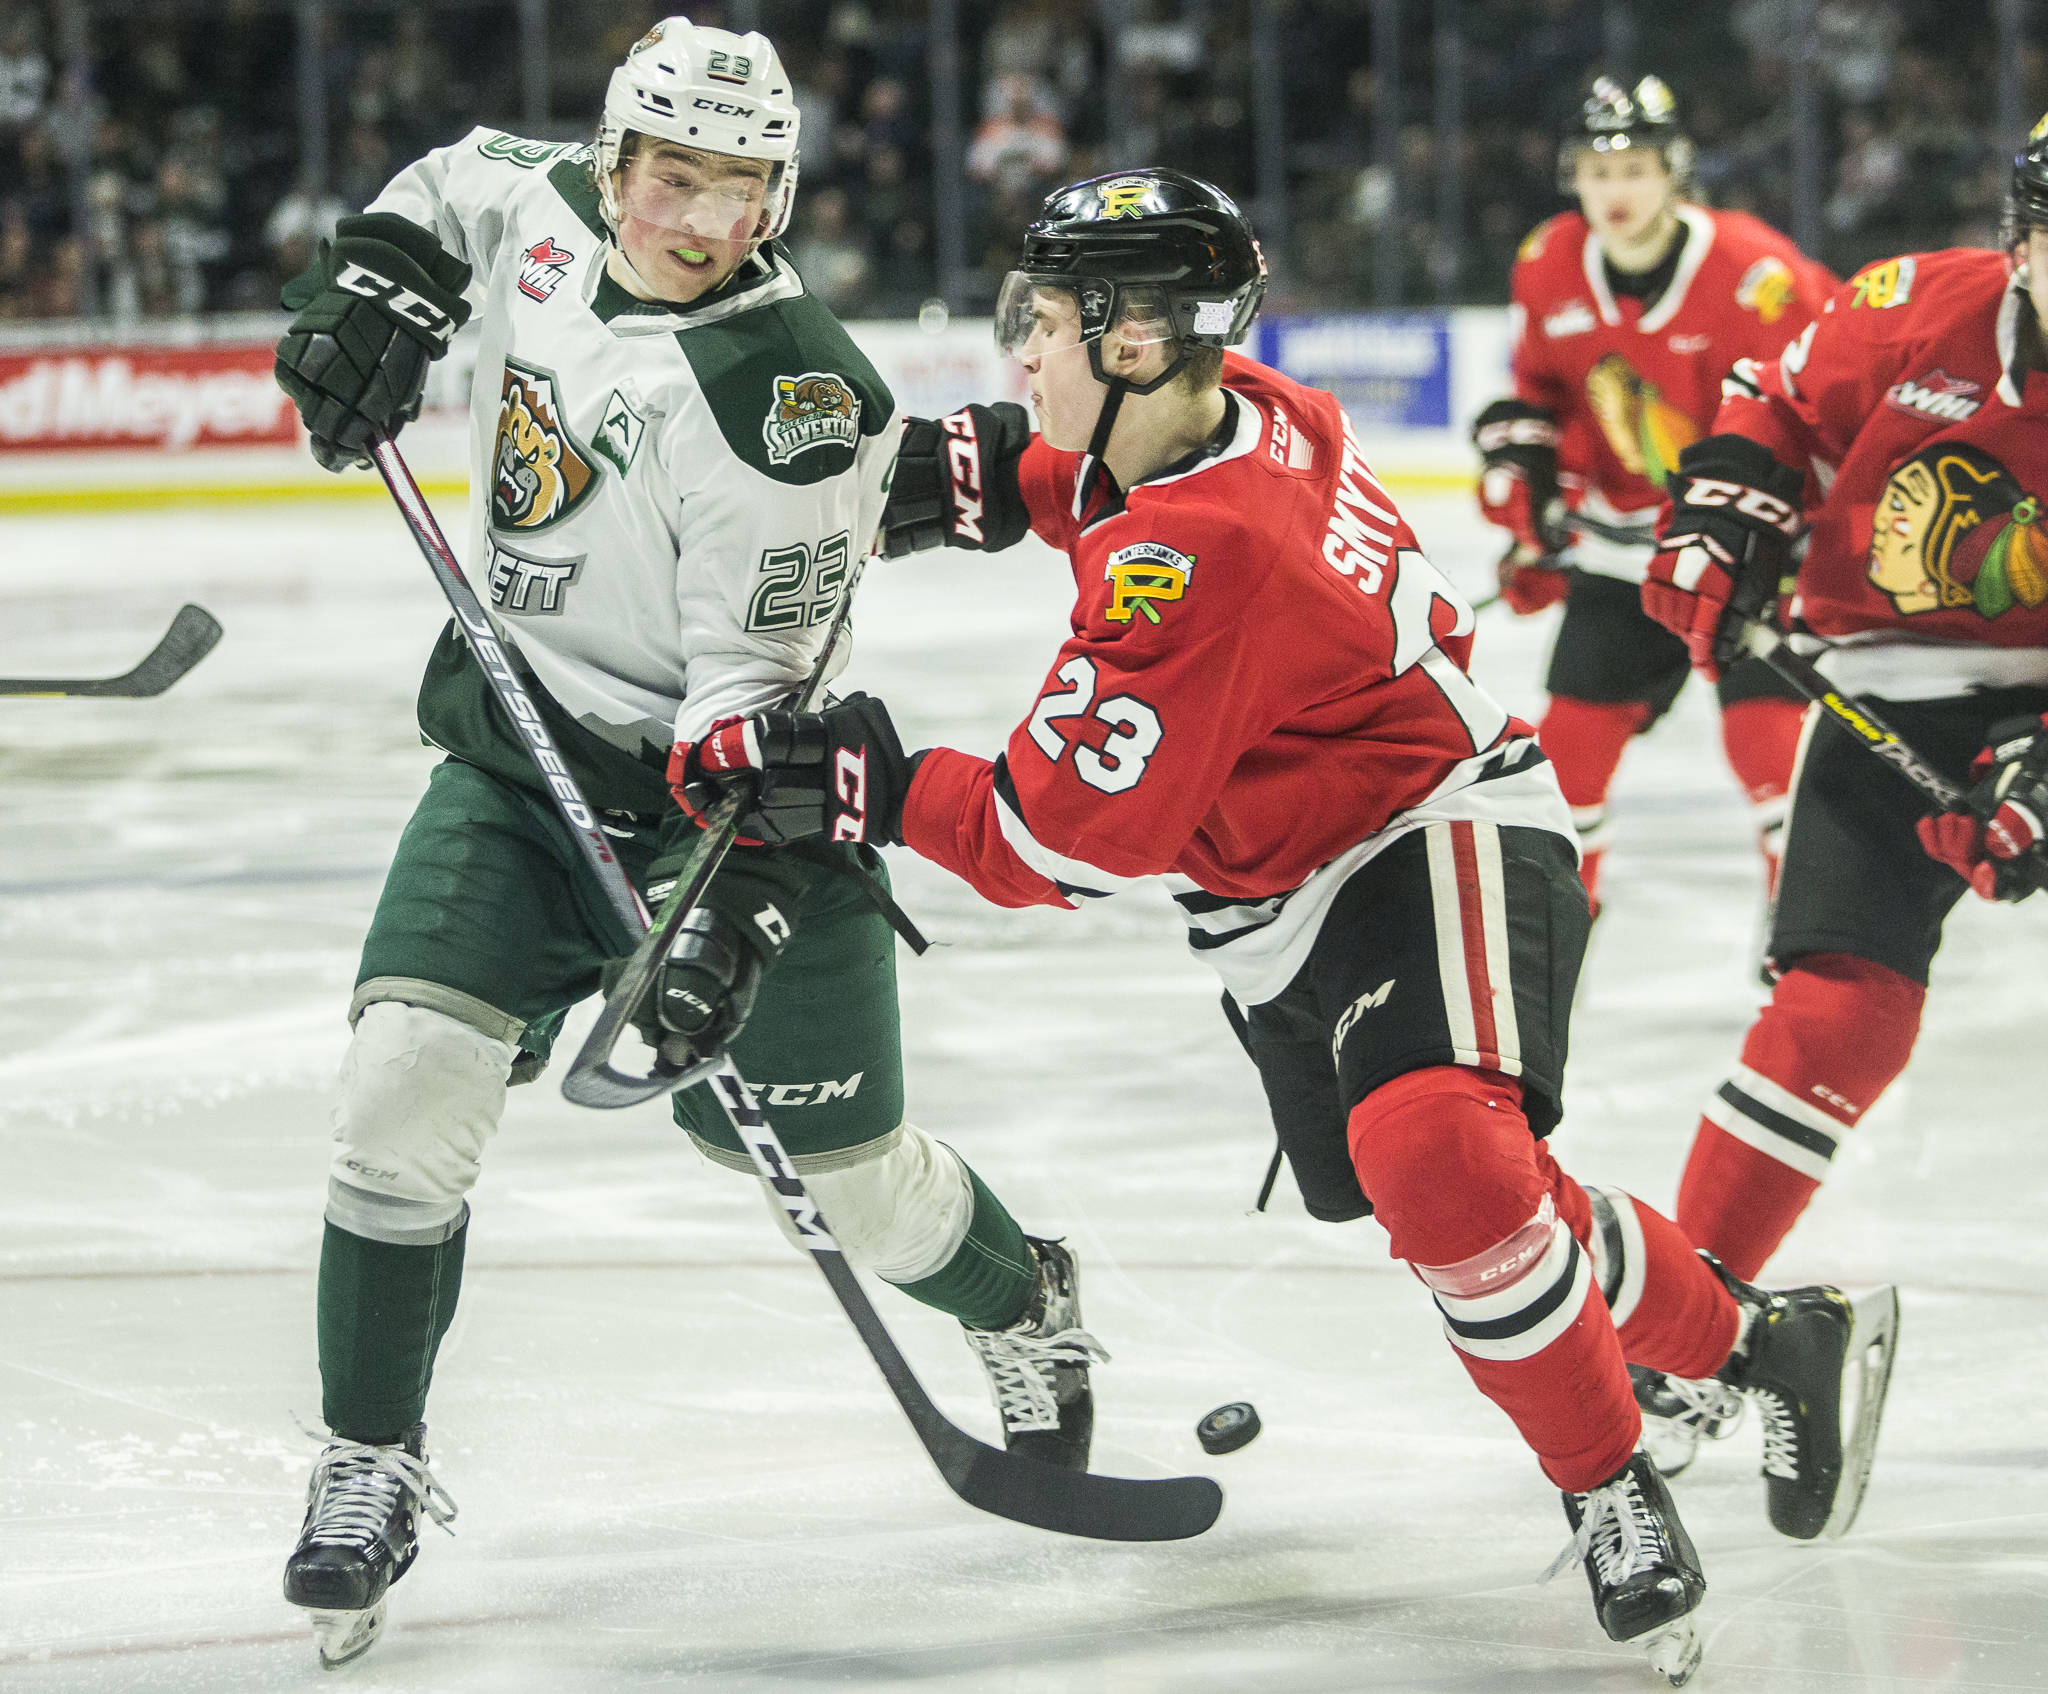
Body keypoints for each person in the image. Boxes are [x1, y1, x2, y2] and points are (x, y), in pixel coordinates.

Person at [693, 168, 1896, 1684]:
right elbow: (1131, 490)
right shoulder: (1236, 406)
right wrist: (1016, 477)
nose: (1025, 356)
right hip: (1276, 891)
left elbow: (1045, 839)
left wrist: (860, 779)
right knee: (1479, 1201)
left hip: (1428, 825)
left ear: (1136, 341)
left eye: (1048, 325)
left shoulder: (1201, 557)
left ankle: (1609, 1488)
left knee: (1437, 1158)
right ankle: (1760, 1342)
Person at [268, 18, 1105, 1668]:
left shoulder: (794, 400)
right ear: (612, 160)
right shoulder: (545, 201)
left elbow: (749, 716)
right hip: (522, 759)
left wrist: (712, 925)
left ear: (776, 191)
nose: (697, 214)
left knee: (838, 1186)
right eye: (670, 174)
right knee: (400, 1087)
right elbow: (447, 189)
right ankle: (368, 1452)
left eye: (736, 186)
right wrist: (376, 283)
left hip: (733, 807)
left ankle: (1024, 1292)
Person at [1640, 116, 2048, 1410]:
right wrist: (1727, 510)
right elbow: (1775, 394)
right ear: (2021, 243)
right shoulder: (1922, 309)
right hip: (1890, 684)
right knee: (1839, 1008)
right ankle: (1688, 1322)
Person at [1474, 76, 1835, 913]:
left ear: (1675, 172)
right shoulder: (1546, 260)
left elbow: (1821, 404)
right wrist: (1535, 497)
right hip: (1621, 553)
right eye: (1598, 172)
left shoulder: (1758, 273)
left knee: (1769, 752)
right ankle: (1554, 937)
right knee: (1568, 760)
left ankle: (1810, 933)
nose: (1616, 191)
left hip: (1749, 552)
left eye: (1635, 169)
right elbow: (1540, 397)